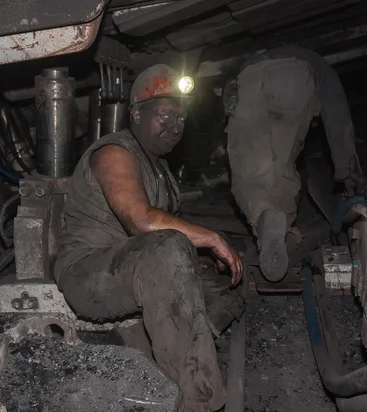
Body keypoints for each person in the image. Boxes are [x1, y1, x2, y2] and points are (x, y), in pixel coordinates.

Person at [54, 64, 245, 412]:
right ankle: (198, 400)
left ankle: (152, 350)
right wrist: (211, 238)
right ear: (137, 113)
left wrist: (198, 255)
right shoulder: (115, 153)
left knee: (224, 286)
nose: (174, 127)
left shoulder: (157, 164)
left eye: (181, 119)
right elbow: (142, 222)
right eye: (165, 116)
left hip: (126, 267)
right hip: (87, 274)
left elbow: (158, 238)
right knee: (172, 249)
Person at [223, 46, 367, 282]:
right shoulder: (318, 66)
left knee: (248, 167)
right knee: (282, 168)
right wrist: (348, 168)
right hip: (290, 80)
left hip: (246, 80)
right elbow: (337, 114)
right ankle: (279, 228)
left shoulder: (257, 58)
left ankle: (264, 217)